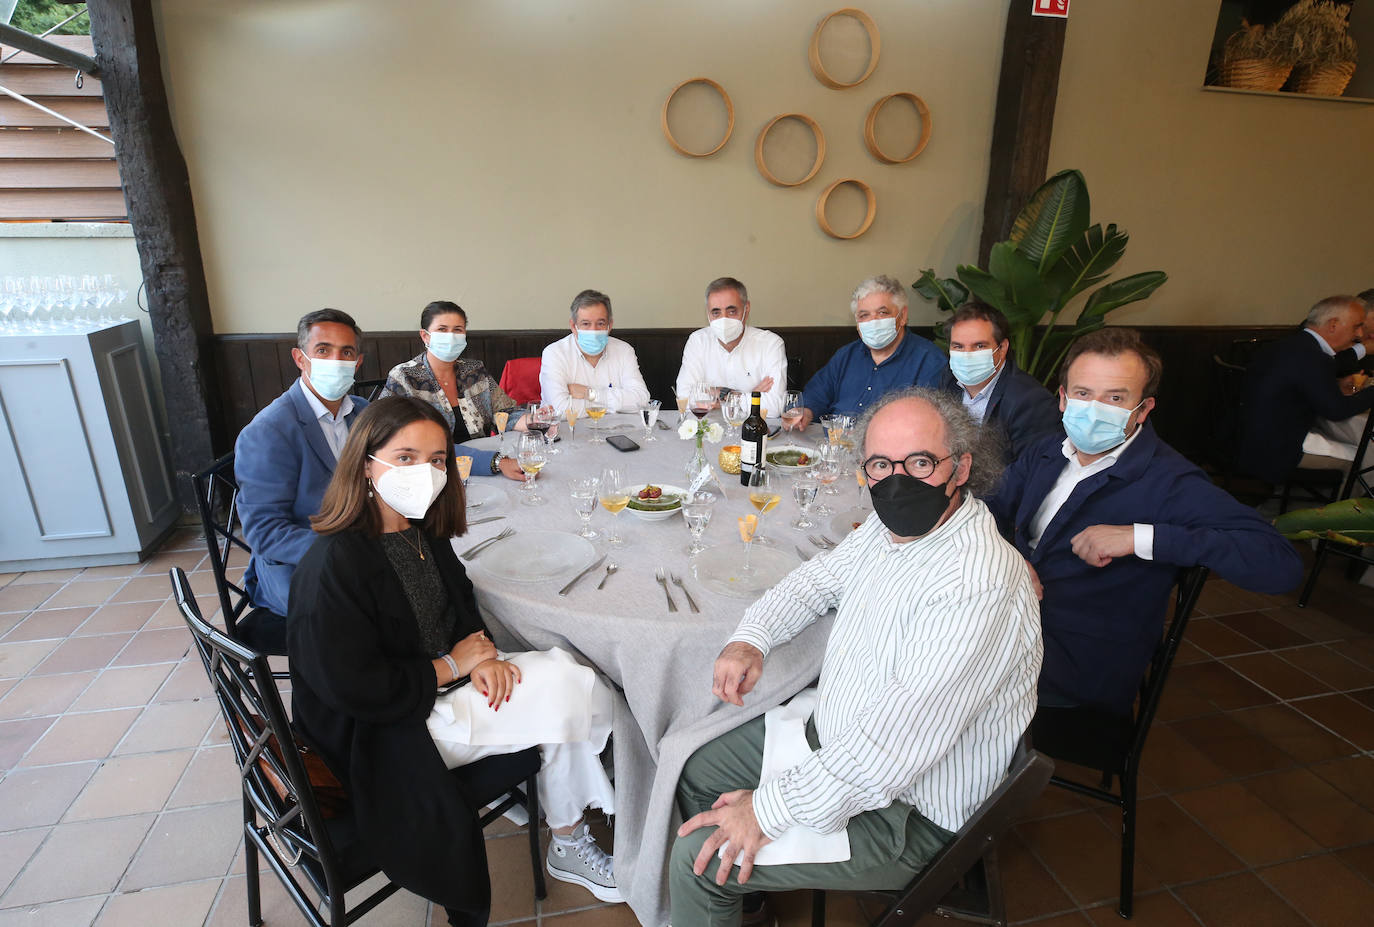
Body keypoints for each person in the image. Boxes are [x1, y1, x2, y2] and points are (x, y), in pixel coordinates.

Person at [670, 388, 1042, 927]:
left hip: (912, 811)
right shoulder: (891, 529)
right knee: (696, 767)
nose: (898, 480)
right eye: (880, 464)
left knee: (700, 860)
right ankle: (741, 901)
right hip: (842, 733)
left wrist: (763, 812)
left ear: (960, 467)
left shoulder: (975, 582)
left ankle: (723, 887)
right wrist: (752, 637)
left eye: (920, 462)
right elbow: (816, 582)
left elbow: (891, 749)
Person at [287, 397, 620, 927]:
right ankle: (578, 825)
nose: (425, 472)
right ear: (365, 462)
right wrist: (453, 665)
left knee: (565, 682)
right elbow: (352, 690)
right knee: (574, 691)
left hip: (435, 693)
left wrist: (479, 649)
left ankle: (569, 828)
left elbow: (459, 600)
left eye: (438, 459)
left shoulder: (416, 528)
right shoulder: (334, 566)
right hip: (383, 736)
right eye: (405, 457)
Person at [988, 328, 1304, 715]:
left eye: (1115, 398)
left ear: (1143, 409)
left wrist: (1142, 538)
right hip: (1012, 628)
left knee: (934, 694)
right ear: (1063, 398)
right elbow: (989, 509)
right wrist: (1011, 559)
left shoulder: (1171, 482)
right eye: (1084, 394)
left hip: (1077, 663)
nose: (1094, 408)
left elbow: (1280, 565)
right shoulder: (1048, 451)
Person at [235, 308, 368, 632]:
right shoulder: (269, 430)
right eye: (323, 350)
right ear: (300, 358)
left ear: (358, 362)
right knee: (382, 613)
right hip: (298, 570)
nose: (336, 360)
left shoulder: (362, 413)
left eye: (346, 352)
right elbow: (265, 533)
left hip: (363, 550)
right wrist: (347, 552)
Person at [1235, 295, 1374, 483]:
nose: (1359, 334)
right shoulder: (1314, 357)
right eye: (1356, 326)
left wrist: (1334, 385)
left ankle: (1286, 505)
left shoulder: (1291, 345)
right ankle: (1344, 512)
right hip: (1273, 448)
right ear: (1333, 325)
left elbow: (1300, 384)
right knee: (1363, 458)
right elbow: (1337, 410)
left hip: (1245, 436)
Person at [383, 300, 526, 481]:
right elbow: (402, 440)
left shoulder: (475, 370)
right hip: (431, 475)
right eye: (442, 329)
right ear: (425, 336)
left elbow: (505, 412)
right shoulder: (404, 377)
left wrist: (534, 420)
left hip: (484, 472)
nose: (450, 336)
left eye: (457, 330)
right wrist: (497, 462)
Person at [789, 275, 946, 431]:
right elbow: (818, 392)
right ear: (857, 323)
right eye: (864, 315)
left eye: (882, 313)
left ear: (903, 316)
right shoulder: (846, 355)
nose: (873, 321)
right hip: (834, 446)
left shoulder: (929, 360)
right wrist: (805, 411)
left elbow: (928, 423)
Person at [940, 301, 1061, 461]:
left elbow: (1030, 471)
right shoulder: (947, 380)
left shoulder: (1031, 401)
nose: (967, 355)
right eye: (958, 347)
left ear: (1002, 348)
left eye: (979, 346)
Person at [675, 277, 788, 417]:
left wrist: (720, 394)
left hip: (753, 433)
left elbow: (774, 406)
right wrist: (751, 396)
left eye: (731, 311)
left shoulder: (771, 344)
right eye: (716, 312)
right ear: (708, 314)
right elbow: (685, 399)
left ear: (746, 309)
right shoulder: (698, 341)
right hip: (708, 430)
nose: (724, 319)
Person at [539, 289, 650, 415]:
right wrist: (616, 405)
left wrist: (590, 394)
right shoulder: (554, 353)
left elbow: (641, 400)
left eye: (600, 323)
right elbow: (560, 409)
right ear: (573, 326)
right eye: (586, 323)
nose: (593, 330)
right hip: (570, 432)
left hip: (617, 430)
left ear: (610, 325)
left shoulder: (624, 350)